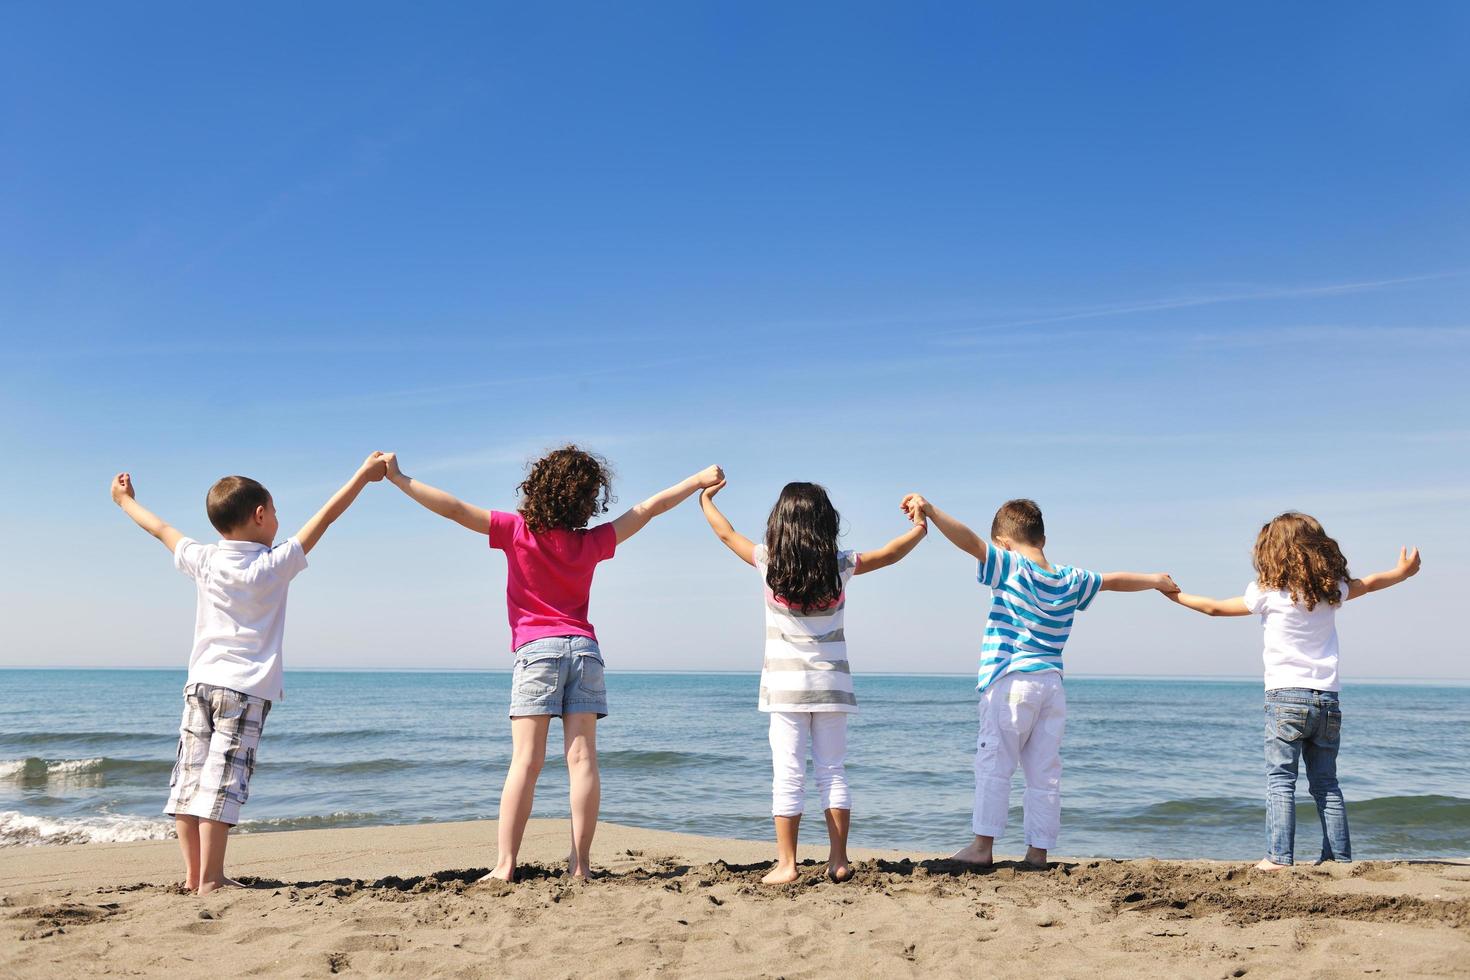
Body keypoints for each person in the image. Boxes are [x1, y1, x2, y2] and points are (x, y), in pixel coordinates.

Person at [381, 446, 721, 881]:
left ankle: (505, 865)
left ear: (539, 487)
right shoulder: (592, 541)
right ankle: (580, 866)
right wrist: (697, 480)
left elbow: (452, 509)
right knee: (582, 760)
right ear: (587, 498)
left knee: (526, 760)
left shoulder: (515, 529)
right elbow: (648, 509)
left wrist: (398, 478)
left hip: (537, 652)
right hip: (584, 650)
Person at [109, 453, 387, 893]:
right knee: (222, 781)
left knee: (190, 779)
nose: (278, 519)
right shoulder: (272, 566)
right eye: (275, 512)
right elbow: (327, 516)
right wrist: (362, 477)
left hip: (199, 683)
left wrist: (123, 501)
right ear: (260, 516)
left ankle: (193, 876)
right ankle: (213, 878)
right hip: (244, 690)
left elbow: (160, 529)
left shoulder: (204, 559)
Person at [901, 493, 1177, 867]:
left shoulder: (1012, 566)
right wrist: (1155, 580)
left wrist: (931, 511)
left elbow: (970, 542)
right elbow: (1113, 580)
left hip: (1011, 681)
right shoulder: (1070, 578)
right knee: (1044, 771)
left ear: (1003, 543)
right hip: (1051, 685)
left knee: (995, 764)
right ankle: (1038, 851)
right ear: (1043, 540)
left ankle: (982, 847)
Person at [1164, 512, 1421, 869]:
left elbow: (1213, 608)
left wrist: (1175, 596)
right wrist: (1403, 573)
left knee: (1281, 781)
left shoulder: (1267, 592)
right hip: (1327, 699)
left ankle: (1279, 858)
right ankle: (1339, 858)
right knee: (1326, 783)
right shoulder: (1332, 590)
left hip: (1286, 698)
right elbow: (1373, 582)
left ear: (1272, 552)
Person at [701, 478, 927, 884]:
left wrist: (705, 499)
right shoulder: (841, 566)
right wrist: (919, 529)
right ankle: (838, 860)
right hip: (832, 687)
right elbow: (890, 555)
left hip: (785, 689)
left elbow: (724, 533)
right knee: (832, 771)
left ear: (779, 523)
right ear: (825, 523)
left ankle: (787, 864)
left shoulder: (767, 561)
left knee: (788, 772)